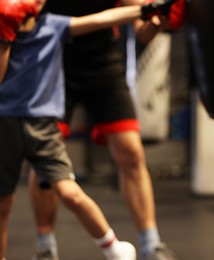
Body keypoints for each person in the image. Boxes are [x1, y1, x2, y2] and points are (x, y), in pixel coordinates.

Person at [0, 0, 175, 259]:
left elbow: (140, 28)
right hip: (51, 63)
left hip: (103, 63)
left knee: (131, 153)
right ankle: (45, 246)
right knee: (43, 168)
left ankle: (151, 243)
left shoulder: (65, 25)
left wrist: (157, 15)